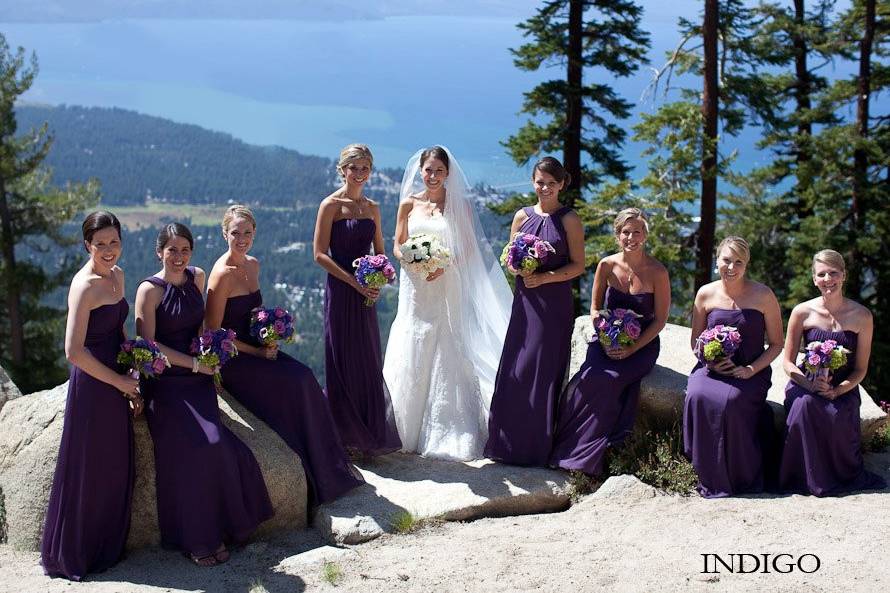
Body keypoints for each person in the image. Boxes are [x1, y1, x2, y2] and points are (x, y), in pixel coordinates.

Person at [205, 206, 363, 505]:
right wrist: (257, 352)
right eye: (235, 233)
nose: (242, 239)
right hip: (236, 358)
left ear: (254, 234)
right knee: (296, 382)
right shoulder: (221, 275)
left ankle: (328, 462)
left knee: (305, 377)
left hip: (259, 348)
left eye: (247, 233)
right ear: (224, 234)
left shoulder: (253, 264)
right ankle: (316, 468)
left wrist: (271, 335)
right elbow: (213, 333)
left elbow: (252, 315)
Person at [135, 223, 273, 566]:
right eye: (172, 250)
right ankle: (198, 538)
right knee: (197, 447)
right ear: (159, 252)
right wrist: (195, 365)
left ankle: (227, 529)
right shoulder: (148, 291)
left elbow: (201, 328)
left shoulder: (197, 277)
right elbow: (148, 347)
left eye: (185, 250)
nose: (179, 257)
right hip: (167, 381)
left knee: (219, 445)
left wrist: (212, 359)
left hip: (200, 377)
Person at [383, 146, 512, 460]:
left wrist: (443, 264)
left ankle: (448, 426)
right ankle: (402, 428)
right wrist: (413, 261)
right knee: (412, 337)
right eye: (428, 170)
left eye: (439, 171)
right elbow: (397, 244)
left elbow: (469, 250)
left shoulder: (459, 207)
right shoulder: (408, 204)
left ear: (447, 174)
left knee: (446, 340)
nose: (432, 176)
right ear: (421, 170)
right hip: (414, 286)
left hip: (445, 282)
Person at [41, 211, 141, 580]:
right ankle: (78, 552)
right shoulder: (83, 285)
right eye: (101, 244)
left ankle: (106, 546)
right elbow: (73, 351)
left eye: (114, 242)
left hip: (117, 374)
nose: (109, 250)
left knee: (113, 466)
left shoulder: (119, 276)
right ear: (88, 245)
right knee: (90, 469)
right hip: (95, 385)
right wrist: (117, 383)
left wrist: (133, 365)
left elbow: (119, 328)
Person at [549, 208, 670, 476]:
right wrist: (604, 337)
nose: (631, 237)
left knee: (611, 380)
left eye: (637, 231)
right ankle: (566, 448)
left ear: (645, 235)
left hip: (642, 345)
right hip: (606, 338)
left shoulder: (658, 272)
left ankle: (591, 455)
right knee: (589, 377)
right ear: (617, 235)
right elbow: (594, 309)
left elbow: (660, 321)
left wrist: (631, 349)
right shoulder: (606, 265)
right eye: (625, 232)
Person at [484, 157, 586, 466]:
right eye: (540, 182)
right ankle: (506, 443)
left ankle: (535, 447)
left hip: (553, 303)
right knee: (518, 365)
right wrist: (519, 267)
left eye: (551, 184)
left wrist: (545, 276)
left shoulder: (569, 219)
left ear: (561, 185)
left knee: (541, 368)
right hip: (525, 301)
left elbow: (578, 265)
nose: (544, 188)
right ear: (533, 182)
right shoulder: (521, 216)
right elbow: (510, 256)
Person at [313, 143, 401, 456]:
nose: (359, 174)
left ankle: (367, 435)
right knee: (341, 357)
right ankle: (342, 436)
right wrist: (353, 282)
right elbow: (319, 254)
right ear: (343, 170)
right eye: (354, 168)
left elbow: (380, 252)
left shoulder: (373, 208)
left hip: (367, 294)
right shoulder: (331, 205)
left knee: (366, 358)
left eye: (365, 168)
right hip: (340, 290)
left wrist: (379, 277)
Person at [779, 249, 886, 496]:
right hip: (806, 382)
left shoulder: (862, 316)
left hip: (843, 386)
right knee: (804, 407)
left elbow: (860, 369)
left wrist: (838, 390)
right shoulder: (802, 312)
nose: (828, 279)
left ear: (844, 275)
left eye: (833, 273)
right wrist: (808, 385)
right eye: (822, 274)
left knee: (839, 414)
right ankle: (800, 477)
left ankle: (839, 475)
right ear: (814, 279)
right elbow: (787, 362)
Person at [683, 236, 783, 498]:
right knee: (695, 395)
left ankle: (739, 476)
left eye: (738, 262)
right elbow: (695, 340)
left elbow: (776, 344)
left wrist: (751, 370)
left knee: (732, 401)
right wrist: (710, 361)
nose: (731, 267)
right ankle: (703, 472)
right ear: (717, 261)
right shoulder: (705, 293)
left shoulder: (763, 295)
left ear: (746, 265)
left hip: (751, 372)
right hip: (711, 368)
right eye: (727, 260)